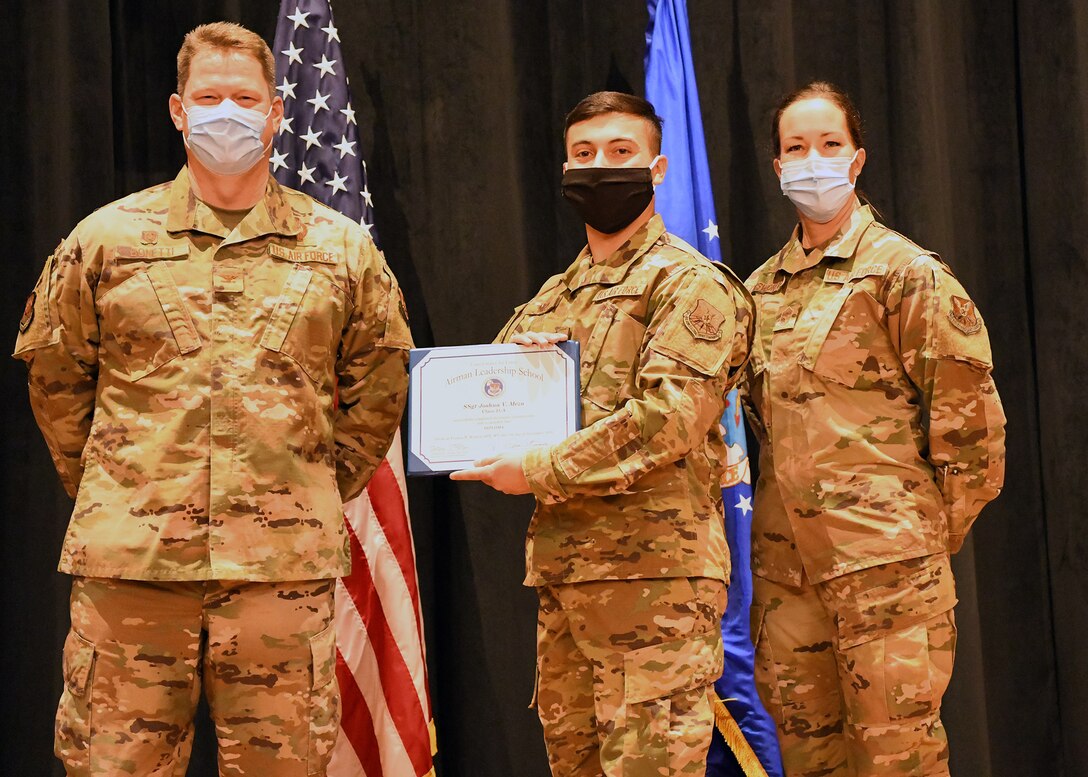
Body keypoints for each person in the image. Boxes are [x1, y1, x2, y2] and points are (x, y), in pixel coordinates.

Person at [13, 22, 412, 776]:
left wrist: (304, 490)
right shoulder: (105, 241)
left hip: (279, 577)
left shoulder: (339, 249)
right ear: (177, 109)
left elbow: (379, 387)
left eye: (245, 98)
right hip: (133, 573)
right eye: (208, 97)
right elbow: (57, 380)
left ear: (276, 113)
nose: (226, 112)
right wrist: (121, 489)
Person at [451, 91, 754, 776]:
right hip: (567, 576)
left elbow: (669, 419)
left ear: (657, 168)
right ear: (565, 170)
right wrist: (521, 359)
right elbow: (481, 394)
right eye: (584, 154)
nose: (601, 167)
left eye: (621, 152)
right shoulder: (556, 295)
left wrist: (540, 469)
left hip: (655, 584)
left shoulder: (690, 284)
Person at [742, 81, 1006, 777]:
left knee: (899, 761)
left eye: (830, 144)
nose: (813, 160)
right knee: (809, 760)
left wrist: (910, 541)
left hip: (887, 578)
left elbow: (973, 433)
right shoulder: (758, 291)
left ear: (857, 159)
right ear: (777, 166)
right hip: (788, 581)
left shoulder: (906, 274)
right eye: (796, 147)